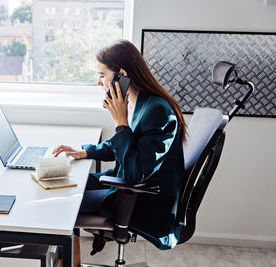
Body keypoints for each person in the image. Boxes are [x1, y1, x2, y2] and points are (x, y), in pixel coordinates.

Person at [53, 39, 187, 255]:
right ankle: (71, 260)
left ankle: (64, 259)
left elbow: (137, 173)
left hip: (138, 200)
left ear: (121, 75)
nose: (99, 83)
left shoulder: (159, 112)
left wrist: (120, 123)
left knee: (61, 200)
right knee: (63, 182)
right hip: (125, 186)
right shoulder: (140, 102)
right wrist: (87, 151)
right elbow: (127, 145)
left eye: (101, 75)